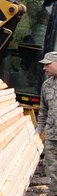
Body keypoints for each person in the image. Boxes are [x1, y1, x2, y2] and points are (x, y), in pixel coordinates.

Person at [35, 51, 57, 187]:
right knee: (52, 170)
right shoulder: (46, 85)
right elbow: (43, 111)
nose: (44, 68)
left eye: (47, 64)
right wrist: (38, 130)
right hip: (52, 137)